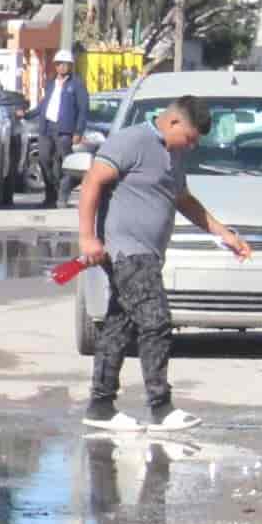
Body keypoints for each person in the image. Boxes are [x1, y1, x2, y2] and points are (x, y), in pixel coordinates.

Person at [74, 92, 250, 435]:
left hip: (148, 255)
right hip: (126, 251)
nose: (192, 146)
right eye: (190, 137)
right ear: (172, 122)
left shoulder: (174, 155)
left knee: (117, 328)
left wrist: (225, 234)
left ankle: (100, 406)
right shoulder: (132, 141)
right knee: (156, 321)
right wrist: (87, 238)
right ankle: (161, 407)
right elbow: (92, 182)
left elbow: (183, 200)